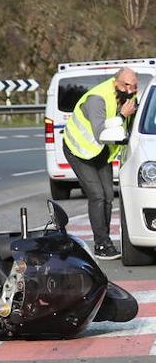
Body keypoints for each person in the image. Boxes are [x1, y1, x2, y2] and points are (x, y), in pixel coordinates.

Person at [62, 67, 139, 260]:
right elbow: (101, 133)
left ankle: (106, 242)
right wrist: (122, 115)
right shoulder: (97, 98)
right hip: (79, 150)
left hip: (100, 152)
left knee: (108, 196)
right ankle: (101, 245)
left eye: (134, 86)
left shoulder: (129, 97)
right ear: (116, 82)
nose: (131, 90)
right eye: (127, 85)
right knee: (97, 195)